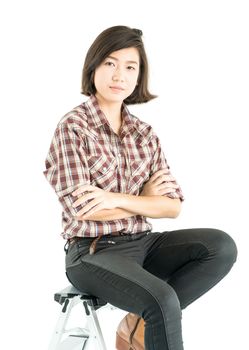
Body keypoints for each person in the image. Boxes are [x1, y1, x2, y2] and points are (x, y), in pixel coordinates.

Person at [43, 25, 238, 350]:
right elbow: (87, 208)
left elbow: (172, 206)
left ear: (138, 77)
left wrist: (121, 199)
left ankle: (135, 323)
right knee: (161, 300)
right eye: (110, 63)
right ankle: (150, 317)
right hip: (92, 251)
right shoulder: (73, 128)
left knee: (220, 246)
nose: (119, 74)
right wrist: (145, 199)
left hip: (143, 243)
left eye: (130, 67)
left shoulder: (144, 133)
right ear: (93, 67)